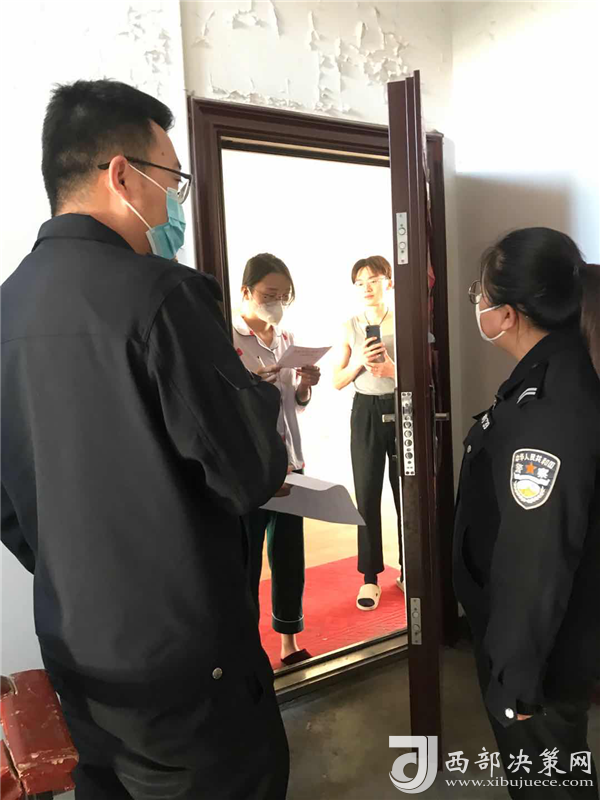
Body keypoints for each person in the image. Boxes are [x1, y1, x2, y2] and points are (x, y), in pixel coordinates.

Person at [1, 80, 291, 800]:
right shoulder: (162, 295)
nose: (175, 206)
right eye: (173, 182)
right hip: (187, 668)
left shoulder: (7, 308)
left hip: (76, 649)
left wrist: (85, 577)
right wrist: (250, 388)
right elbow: (249, 472)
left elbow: (9, 505)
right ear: (122, 175)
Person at [454, 228, 600, 799]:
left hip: (541, 656)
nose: (477, 304)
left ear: (508, 315)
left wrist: (515, 675)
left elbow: (538, 558)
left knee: (549, 784)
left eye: (479, 294)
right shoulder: (544, 377)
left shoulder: (550, 406)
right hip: (537, 640)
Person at [233, 253, 321, 666]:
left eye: (284, 296)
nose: (277, 303)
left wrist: (304, 386)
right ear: (246, 292)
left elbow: (294, 405)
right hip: (250, 466)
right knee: (247, 561)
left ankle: (289, 641)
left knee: (288, 558)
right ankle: (248, 649)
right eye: (270, 294)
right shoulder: (228, 339)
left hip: (290, 461)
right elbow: (222, 405)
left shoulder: (286, 338)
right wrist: (252, 386)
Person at [332, 256, 403, 611]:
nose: (366, 287)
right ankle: (370, 578)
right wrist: (360, 361)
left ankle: (409, 567)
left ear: (388, 282)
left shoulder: (405, 321)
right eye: (360, 282)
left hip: (402, 406)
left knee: (408, 493)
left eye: (373, 279)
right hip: (365, 412)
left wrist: (393, 369)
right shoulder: (349, 327)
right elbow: (337, 380)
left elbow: (424, 372)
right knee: (367, 493)